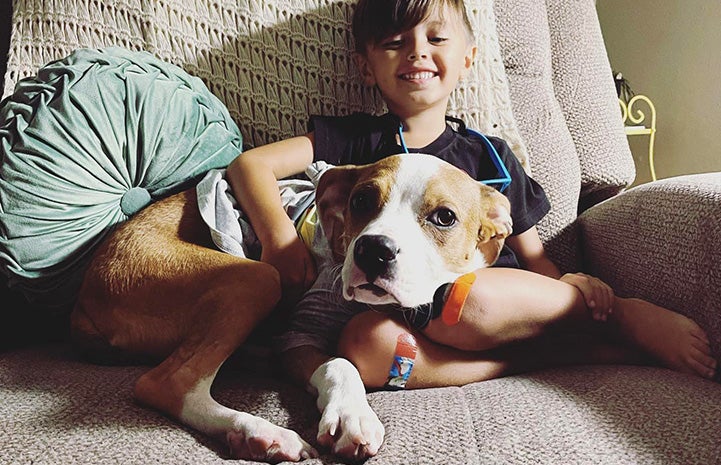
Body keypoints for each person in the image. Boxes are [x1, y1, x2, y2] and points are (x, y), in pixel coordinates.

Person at [221, 0, 717, 395]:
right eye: (394, 42)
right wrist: (282, 243)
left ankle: (625, 318)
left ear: (468, 58)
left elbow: (534, 257)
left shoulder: (489, 156)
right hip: (391, 319)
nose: (416, 51)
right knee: (364, 347)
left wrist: (579, 289)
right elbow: (251, 164)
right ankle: (535, 363)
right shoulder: (354, 144)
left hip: (481, 306)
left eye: (435, 38)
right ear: (365, 67)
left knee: (469, 301)